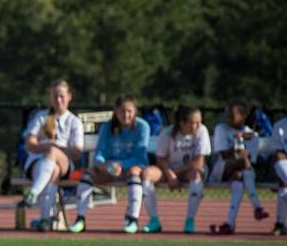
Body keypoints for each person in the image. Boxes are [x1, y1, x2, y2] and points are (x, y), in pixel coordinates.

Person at [69, 95, 150, 234]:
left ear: (135, 111)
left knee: (134, 173)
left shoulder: (143, 127)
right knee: (88, 174)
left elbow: (139, 156)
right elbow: (100, 152)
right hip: (110, 169)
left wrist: (121, 165)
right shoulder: (107, 126)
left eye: (129, 111)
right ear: (116, 111)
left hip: (132, 168)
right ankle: (80, 219)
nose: (126, 115)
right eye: (122, 111)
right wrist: (104, 165)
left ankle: (132, 219)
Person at [22, 79, 84, 231]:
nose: (58, 100)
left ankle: (33, 193)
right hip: (37, 164)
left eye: (62, 96)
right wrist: (48, 145)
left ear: (69, 96)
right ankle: (45, 219)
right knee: (52, 170)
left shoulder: (74, 121)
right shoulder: (41, 117)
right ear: (49, 97)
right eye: (55, 96)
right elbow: (29, 144)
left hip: (65, 165)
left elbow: (77, 153)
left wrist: (57, 149)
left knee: (53, 155)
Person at [140, 105, 210, 234]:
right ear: (182, 123)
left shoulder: (202, 131)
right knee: (146, 173)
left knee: (196, 176)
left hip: (189, 170)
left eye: (199, 122)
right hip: (168, 170)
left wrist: (174, 174)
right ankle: (154, 221)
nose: (197, 126)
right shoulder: (166, 133)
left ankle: (190, 221)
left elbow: (198, 163)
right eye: (193, 123)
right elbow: (160, 159)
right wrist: (170, 175)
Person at [208, 102, 269, 235]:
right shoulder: (221, 129)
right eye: (227, 115)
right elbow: (224, 154)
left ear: (243, 116)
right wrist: (238, 146)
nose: (228, 118)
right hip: (221, 170)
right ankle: (257, 206)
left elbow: (250, 159)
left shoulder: (251, 134)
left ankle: (230, 224)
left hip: (242, 172)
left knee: (239, 177)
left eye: (232, 116)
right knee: (242, 163)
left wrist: (242, 147)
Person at [267, 93, 287, 235]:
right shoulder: (280, 126)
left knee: (285, 185)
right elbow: (277, 153)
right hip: (286, 166)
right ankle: (280, 224)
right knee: (281, 162)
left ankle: (280, 224)